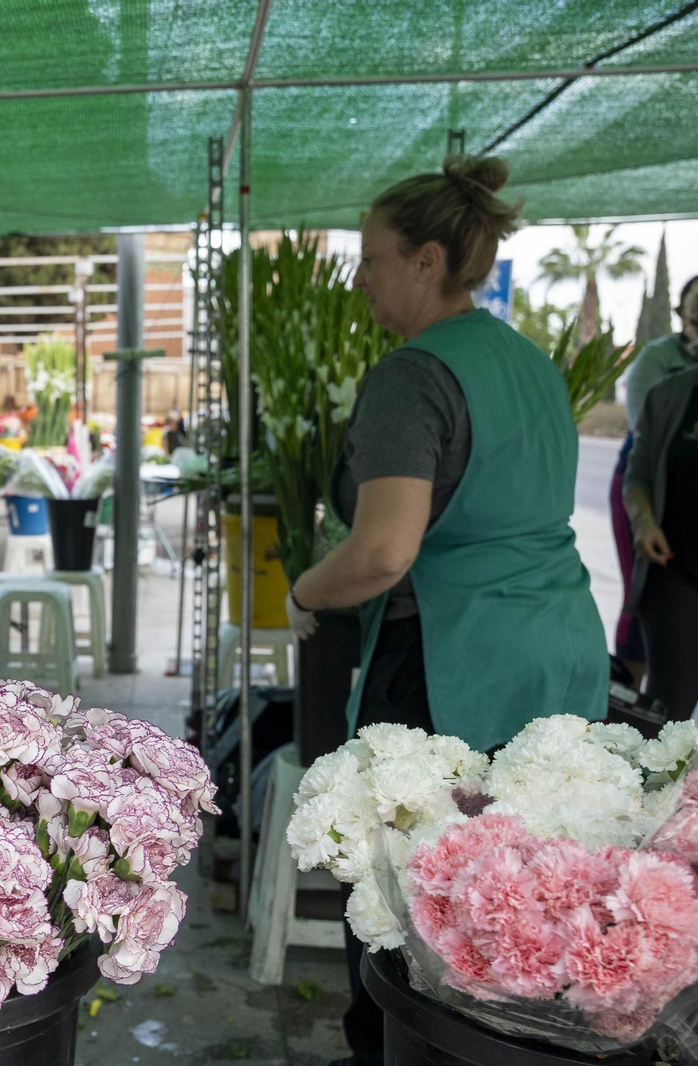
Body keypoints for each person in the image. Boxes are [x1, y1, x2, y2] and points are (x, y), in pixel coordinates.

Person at [282, 155, 607, 1066]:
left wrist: (307, 590)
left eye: (372, 256)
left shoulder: (413, 376)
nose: (360, 277)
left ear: (427, 260)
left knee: (411, 910)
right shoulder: (531, 364)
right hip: (560, 657)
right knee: (526, 898)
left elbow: (384, 552)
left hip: (448, 668)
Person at [610, 275, 698, 683]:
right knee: (670, 715)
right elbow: (641, 466)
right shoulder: (668, 391)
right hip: (675, 564)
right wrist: (643, 521)